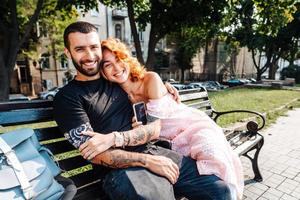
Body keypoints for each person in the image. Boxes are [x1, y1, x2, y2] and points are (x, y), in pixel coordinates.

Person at [54, 21, 232, 200]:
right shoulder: (68, 98)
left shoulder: (115, 79)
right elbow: (95, 154)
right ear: (68, 52)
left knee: (220, 191)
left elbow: (154, 127)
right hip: (121, 170)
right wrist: (147, 161)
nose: (90, 55)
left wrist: (164, 89)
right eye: (80, 49)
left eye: (94, 47)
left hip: (155, 150)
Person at [99, 38, 244, 200]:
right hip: (169, 140)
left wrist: (139, 128)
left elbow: (153, 128)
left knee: (214, 164)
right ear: (103, 72)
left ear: (127, 59)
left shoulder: (150, 79)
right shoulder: (117, 96)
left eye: (119, 59)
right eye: (108, 65)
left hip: (192, 126)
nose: (116, 68)